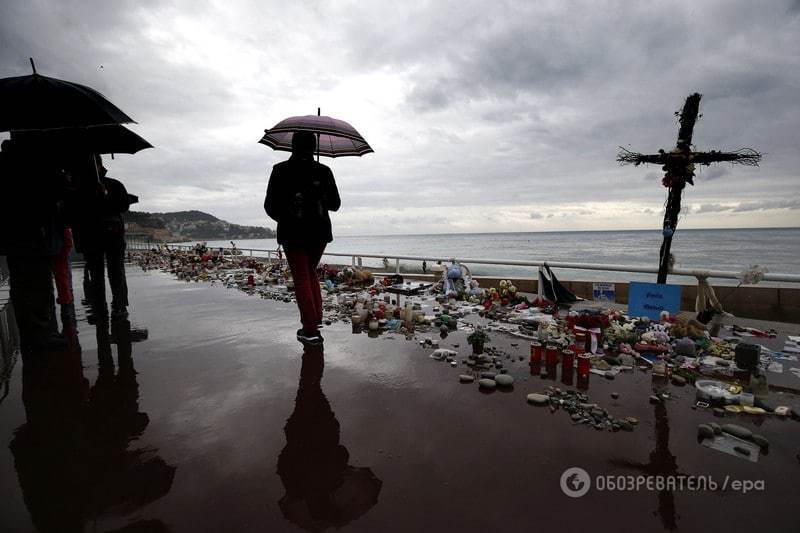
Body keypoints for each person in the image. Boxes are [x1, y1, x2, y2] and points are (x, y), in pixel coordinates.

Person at [265, 131, 341, 344]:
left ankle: (310, 330)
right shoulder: (324, 171)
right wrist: (318, 193)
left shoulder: (280, 170)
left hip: (293, 233)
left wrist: (286, 217)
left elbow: (270, 206)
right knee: (309, 273)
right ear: (314, 147)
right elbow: (335, 204)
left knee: (301, 277)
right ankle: (315, 319)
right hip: (319, 233)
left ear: (292, 146)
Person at [72, 154, 131, 320]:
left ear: (98, 166)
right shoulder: (79, 188)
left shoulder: (114, 185)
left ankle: (118, 306)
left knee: (114, 272)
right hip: (93, 237)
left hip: (111, 236)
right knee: (99, 275)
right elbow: (73, 213)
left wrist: (106, 195)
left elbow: (123, 205)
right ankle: (102, 307)